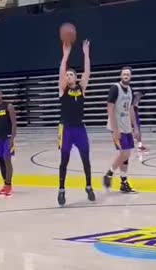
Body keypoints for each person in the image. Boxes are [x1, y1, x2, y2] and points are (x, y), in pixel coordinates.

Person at [56, 40, 95, 206]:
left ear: (76, 77)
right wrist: (65, 56)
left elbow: (87, 72)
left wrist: (86, 53)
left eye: (71, 74)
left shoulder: (81, 88)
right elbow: (61, 72)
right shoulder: (62, 90)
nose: (68, 76)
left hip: (79, 128)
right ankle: (61, 189)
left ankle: (88, 186)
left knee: (86, 158)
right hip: (65, 129)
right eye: (67, 75)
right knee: (64, 160)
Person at [102, 67, 138, 194]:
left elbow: (131, 109)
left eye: (128, 74)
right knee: (123, 153)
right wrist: (115, 128)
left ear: (131, 76)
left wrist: (135, 127)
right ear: (121, 75)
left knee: (127, 155)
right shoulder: (115, 88)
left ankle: (123, 182)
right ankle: (109, 173)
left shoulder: (130, 90)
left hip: (126, 126)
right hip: (116, 127)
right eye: (124, 74)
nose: (126, 75)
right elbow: (110, 108)